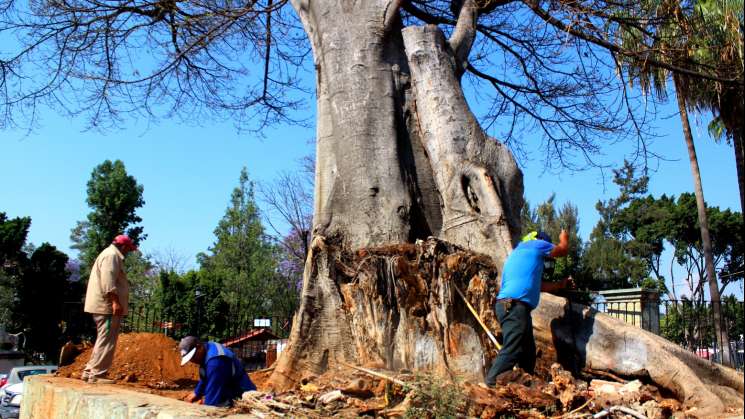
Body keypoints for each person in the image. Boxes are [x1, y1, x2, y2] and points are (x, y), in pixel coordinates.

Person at [484, 230, 573, 387]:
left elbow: (540, 286)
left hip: (513, 307)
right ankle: (490, 383)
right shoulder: (536, 244)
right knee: (513, 349)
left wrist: (560, 284)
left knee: (528, 352)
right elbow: (563, 250)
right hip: (514, 306)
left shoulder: (520, 253)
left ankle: (526, 386)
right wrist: (564, 237)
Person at [82, 234, 137, 384]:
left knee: (103, 338)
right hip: (107, 307)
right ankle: (97, 375)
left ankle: (89, 371)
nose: (129, 252)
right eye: (129, 249)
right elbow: (108, 281)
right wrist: (115, 302)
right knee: (107, 340)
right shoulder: (112, 256)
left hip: (104, 306)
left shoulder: (109, 254)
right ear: (124, 246)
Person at [179, 336, 257, 407]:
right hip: (228, 386)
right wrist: (197, 392)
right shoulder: (208, 347)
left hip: (242, 395)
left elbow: (211, 403)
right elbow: (206, 376)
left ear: (199, 347)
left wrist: (205, 402)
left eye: (193, 357)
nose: (192, 361)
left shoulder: (215, 362)